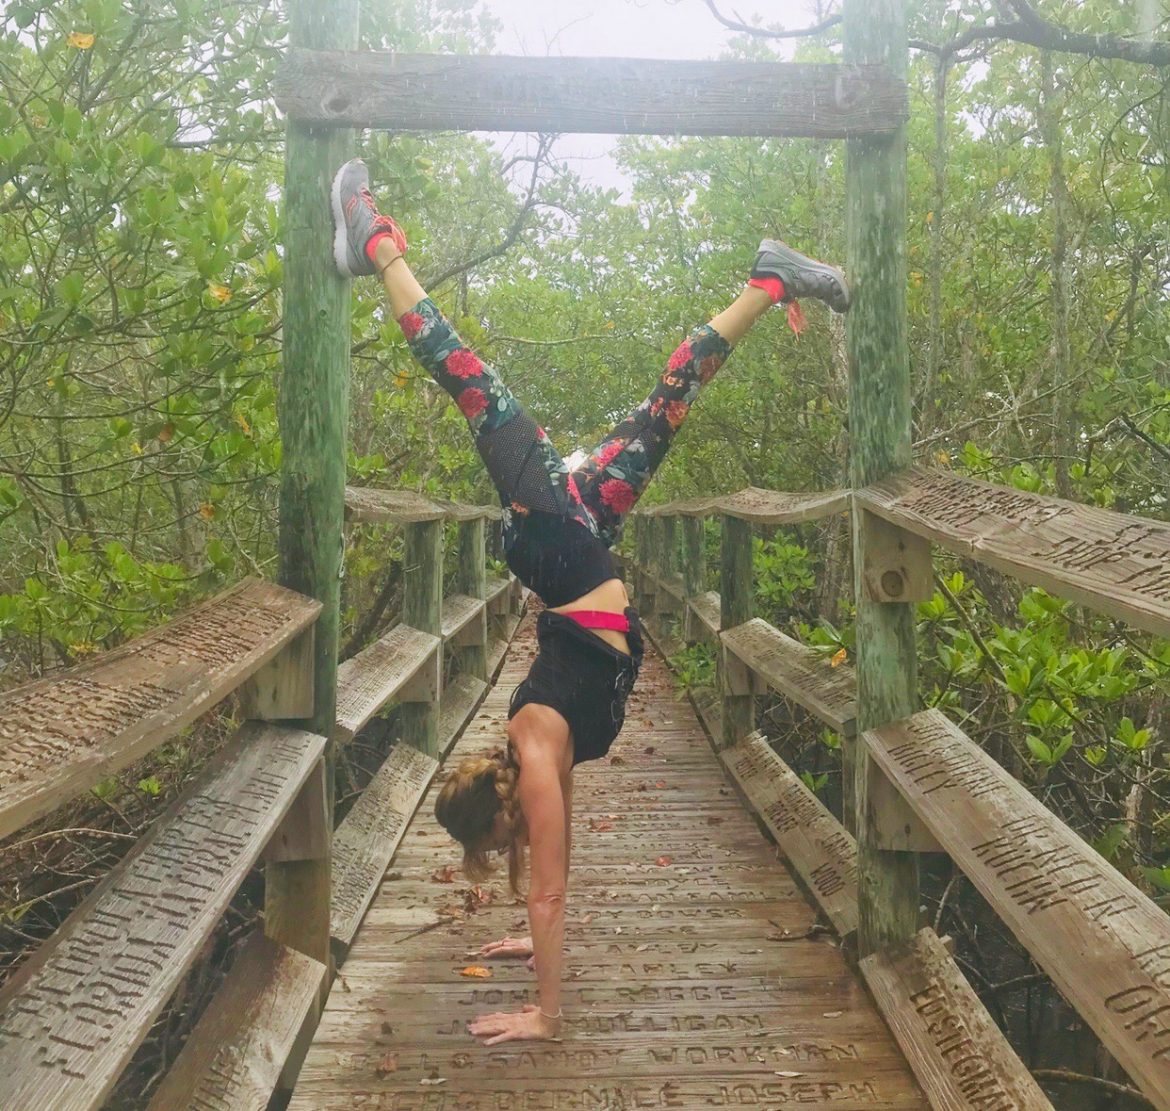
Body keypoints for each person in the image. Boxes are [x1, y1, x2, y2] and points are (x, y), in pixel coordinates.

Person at [330, 158, 850, 1045]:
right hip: (569, 543)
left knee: (466, 375)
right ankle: (766, 280)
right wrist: (530, 944)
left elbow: (548, 886)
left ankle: (370, 235)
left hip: (554, 542)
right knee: (667, 405)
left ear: (499, 809)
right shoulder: (537, 752)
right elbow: (537, 861)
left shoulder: (537, 747)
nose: (508, 845)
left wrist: (546, 1011)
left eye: (495, 841)